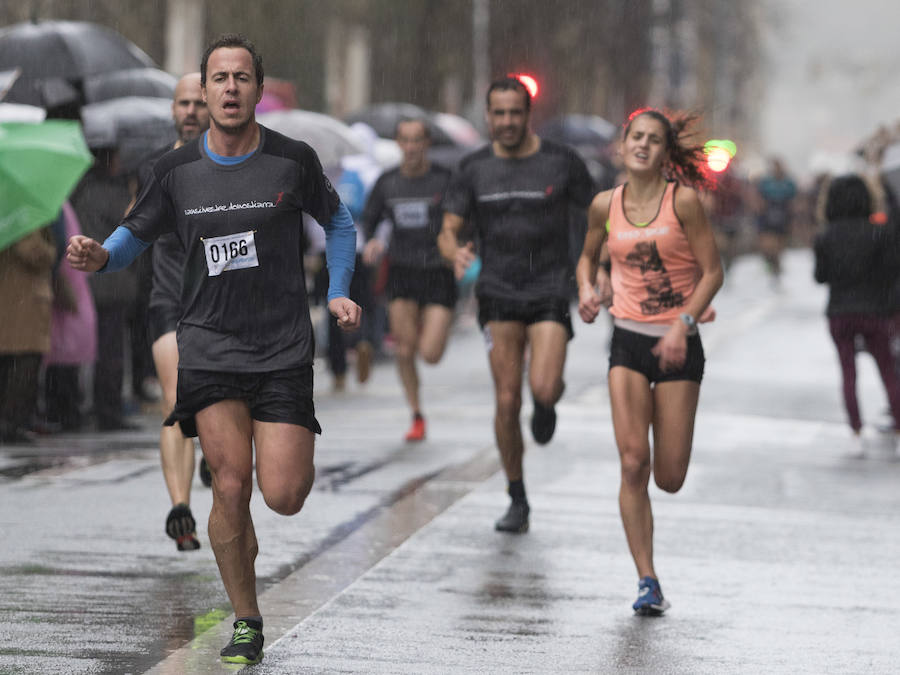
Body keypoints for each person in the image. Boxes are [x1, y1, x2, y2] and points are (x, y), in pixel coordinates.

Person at [66, 34, 360, 666]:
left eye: (241, 78)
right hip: (208, 344)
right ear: (204, 90)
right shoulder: (175, 172)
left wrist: (338, 291)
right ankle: (247, 619)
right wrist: (100, 256)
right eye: (219, 78)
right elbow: (133, 234)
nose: (230, 88)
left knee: (283, 493)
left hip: (281, 347)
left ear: (258, 89)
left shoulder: (291, 160)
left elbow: (338, 222)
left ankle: (246, 551)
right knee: (229, 483)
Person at [576, 108, 723, 615]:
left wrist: (683, 325)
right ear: (622, 146)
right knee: (633, 462)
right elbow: (588, 256)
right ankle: (647, 579)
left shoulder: (683, 202)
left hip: (679, 343)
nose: (642, 145)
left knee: (669, 478)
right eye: (636, 137)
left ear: (665, 152)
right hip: (629, 342)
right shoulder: (605, 204)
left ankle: (650, 574)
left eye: (653, 139)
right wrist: (589, 288)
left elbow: (713, 272)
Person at [438, 77, 596, 533]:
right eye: (499, 113)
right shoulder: (473, 168)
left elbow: (599, 214)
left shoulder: (561, 161)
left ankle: (546, 406)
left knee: (542, 388)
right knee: (507, 399)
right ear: (488, 116)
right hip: (498, 291)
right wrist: (454, 253)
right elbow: (448, 230)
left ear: (528, 115)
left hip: (549, 287)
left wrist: (596, 264)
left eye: (515, 113)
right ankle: (517, 497)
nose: (507, 121)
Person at [136, 72, 211, 551]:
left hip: (218, 303)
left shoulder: (229, 165)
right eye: (183, 103)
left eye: (197, 103)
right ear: (172, 109)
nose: (190, 112)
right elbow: (133, 228)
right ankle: (180, 508)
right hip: (168, 299)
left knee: (214, 402)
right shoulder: (154, 168)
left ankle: (214, 447)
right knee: (174, 400)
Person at [362, 118, 455, 441]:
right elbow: (370, 221)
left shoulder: (444, 179)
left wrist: (460, 246)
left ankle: (432, 329)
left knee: (429, 354)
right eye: (406, 140)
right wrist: (373, 242)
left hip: (438, 270)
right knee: (404, 350)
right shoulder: (387, 182)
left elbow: (463, 218)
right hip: (402, 271)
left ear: (427, 143)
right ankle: (416, 414)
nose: (412, 147)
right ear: (398, 144)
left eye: (418, 140)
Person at [813, 174, 900, 457]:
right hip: (875, 311)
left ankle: (855, 433)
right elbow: (891, 273)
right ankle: (899, 430)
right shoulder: (879, 232)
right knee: (888, 371)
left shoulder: (826, 235)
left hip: (840, 312)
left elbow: (820, 276)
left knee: (848, 372)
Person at [0, 227, 57, 444]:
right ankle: (12, 425)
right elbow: (33, 251)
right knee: (24, 368)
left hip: (13, 302)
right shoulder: (22, 219)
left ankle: (11, 424)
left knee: (12, 366)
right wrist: (52, 249)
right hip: (23, 303)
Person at [753, 157, 796, 282]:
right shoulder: (765, 182)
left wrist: (794, 219)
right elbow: (757, 197)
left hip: (783, 218)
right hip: (767, 217)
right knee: (768, 245)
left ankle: (776, 268)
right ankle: (770, 263)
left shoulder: (789, 183)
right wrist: (759, 207)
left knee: (779, 246)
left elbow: (794, 200)